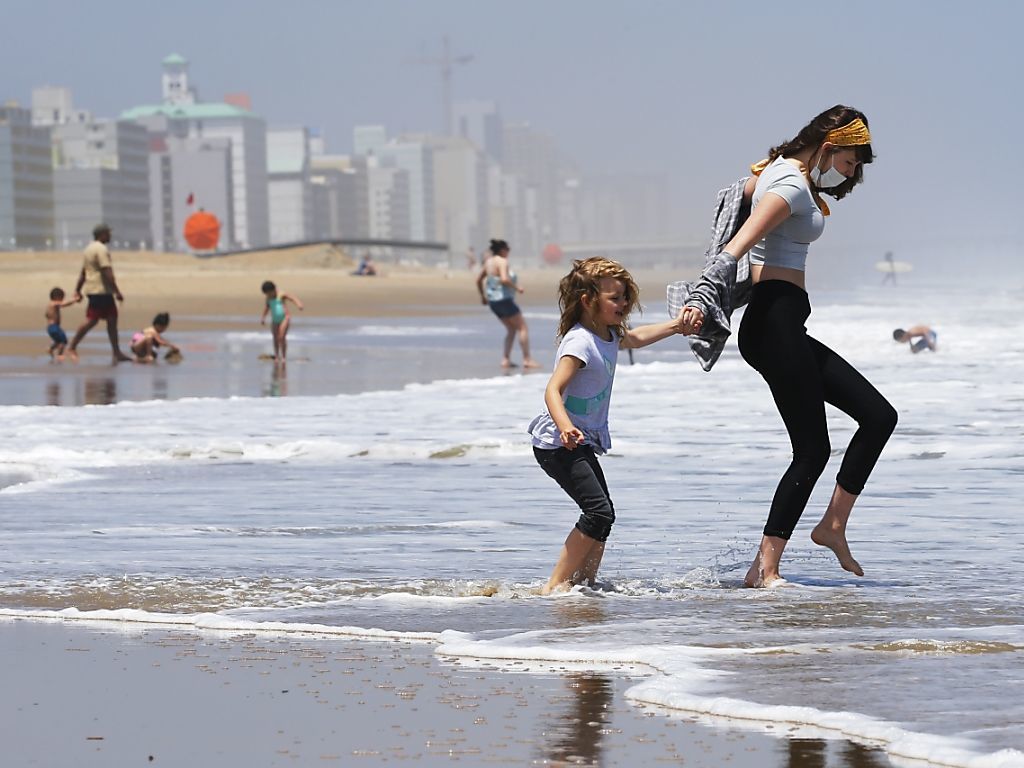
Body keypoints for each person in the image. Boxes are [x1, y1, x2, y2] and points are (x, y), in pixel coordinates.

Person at [679, 105, 898, 587]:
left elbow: (745, 194)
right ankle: (766, 570)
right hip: (774, 322)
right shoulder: (792, 185)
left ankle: (832, 526)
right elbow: (737, 243)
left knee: (879, 417)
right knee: (812, 450)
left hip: (782, 323)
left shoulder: (777, 170)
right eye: (850, 160)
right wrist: (704, 293)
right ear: (829, 144)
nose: (852, 171)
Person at [529, 257, 691, 594]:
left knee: (604, 515)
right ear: (588, 301)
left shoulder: (608, 334)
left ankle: (584, 585)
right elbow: (552, 390)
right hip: (558, 444)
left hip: (578, 441)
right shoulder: (579, 342)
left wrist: (676, 326)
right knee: (598, 512)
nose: (624, 303)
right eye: (614, 298)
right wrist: (564, 427)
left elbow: (636, 338)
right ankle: (556, 586)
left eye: (625, 296)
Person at [67, 223, 132, 363]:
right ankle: (72, 346)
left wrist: (77, 290)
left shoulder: (88, 248)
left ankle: (116, 352)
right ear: (102, 234)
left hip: (94, 289)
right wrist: (117, 291)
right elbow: (106, 271)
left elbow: (83, 273)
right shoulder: (101, 249)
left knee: (111, 319)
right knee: (93, 320)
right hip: (101, 290)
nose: (110, 236)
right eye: (108, 233)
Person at [476, 238, 540, 369]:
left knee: (511, 329)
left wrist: (483, 296)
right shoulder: (502, 261)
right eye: (508, 250)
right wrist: (517, 288)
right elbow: (504, 279)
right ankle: (527, 359)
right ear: (502, 250)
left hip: (493, 302)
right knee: (523, 328)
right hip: (504, 300)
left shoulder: (488, 262)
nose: (508, 253)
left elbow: (478, 280)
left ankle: (505, 359)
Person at [260, 280, 304, 362]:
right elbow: (267, 307)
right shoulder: (268, 298)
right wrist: (263, 318)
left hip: (284, 318)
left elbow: (292, 297)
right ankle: (277, 355)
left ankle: (283, 356)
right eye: (267, 294)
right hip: (274, 319)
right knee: (275, 337)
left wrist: (299, 304)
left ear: (273, 290)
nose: (269, 295)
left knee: (281, 336)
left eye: (270, 293)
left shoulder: (281, 294)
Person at [45, 287, 81, 361]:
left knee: (58, 341)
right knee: (63, 341)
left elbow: (47, 315)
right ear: (56, 297)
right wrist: (75, 300)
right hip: (54, 327)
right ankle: (60, 355)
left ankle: (50, 349)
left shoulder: (50, 305)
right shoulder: (54, 303)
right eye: (62, 298)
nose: (62, 300)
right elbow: (64, 304)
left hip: (50, 327)